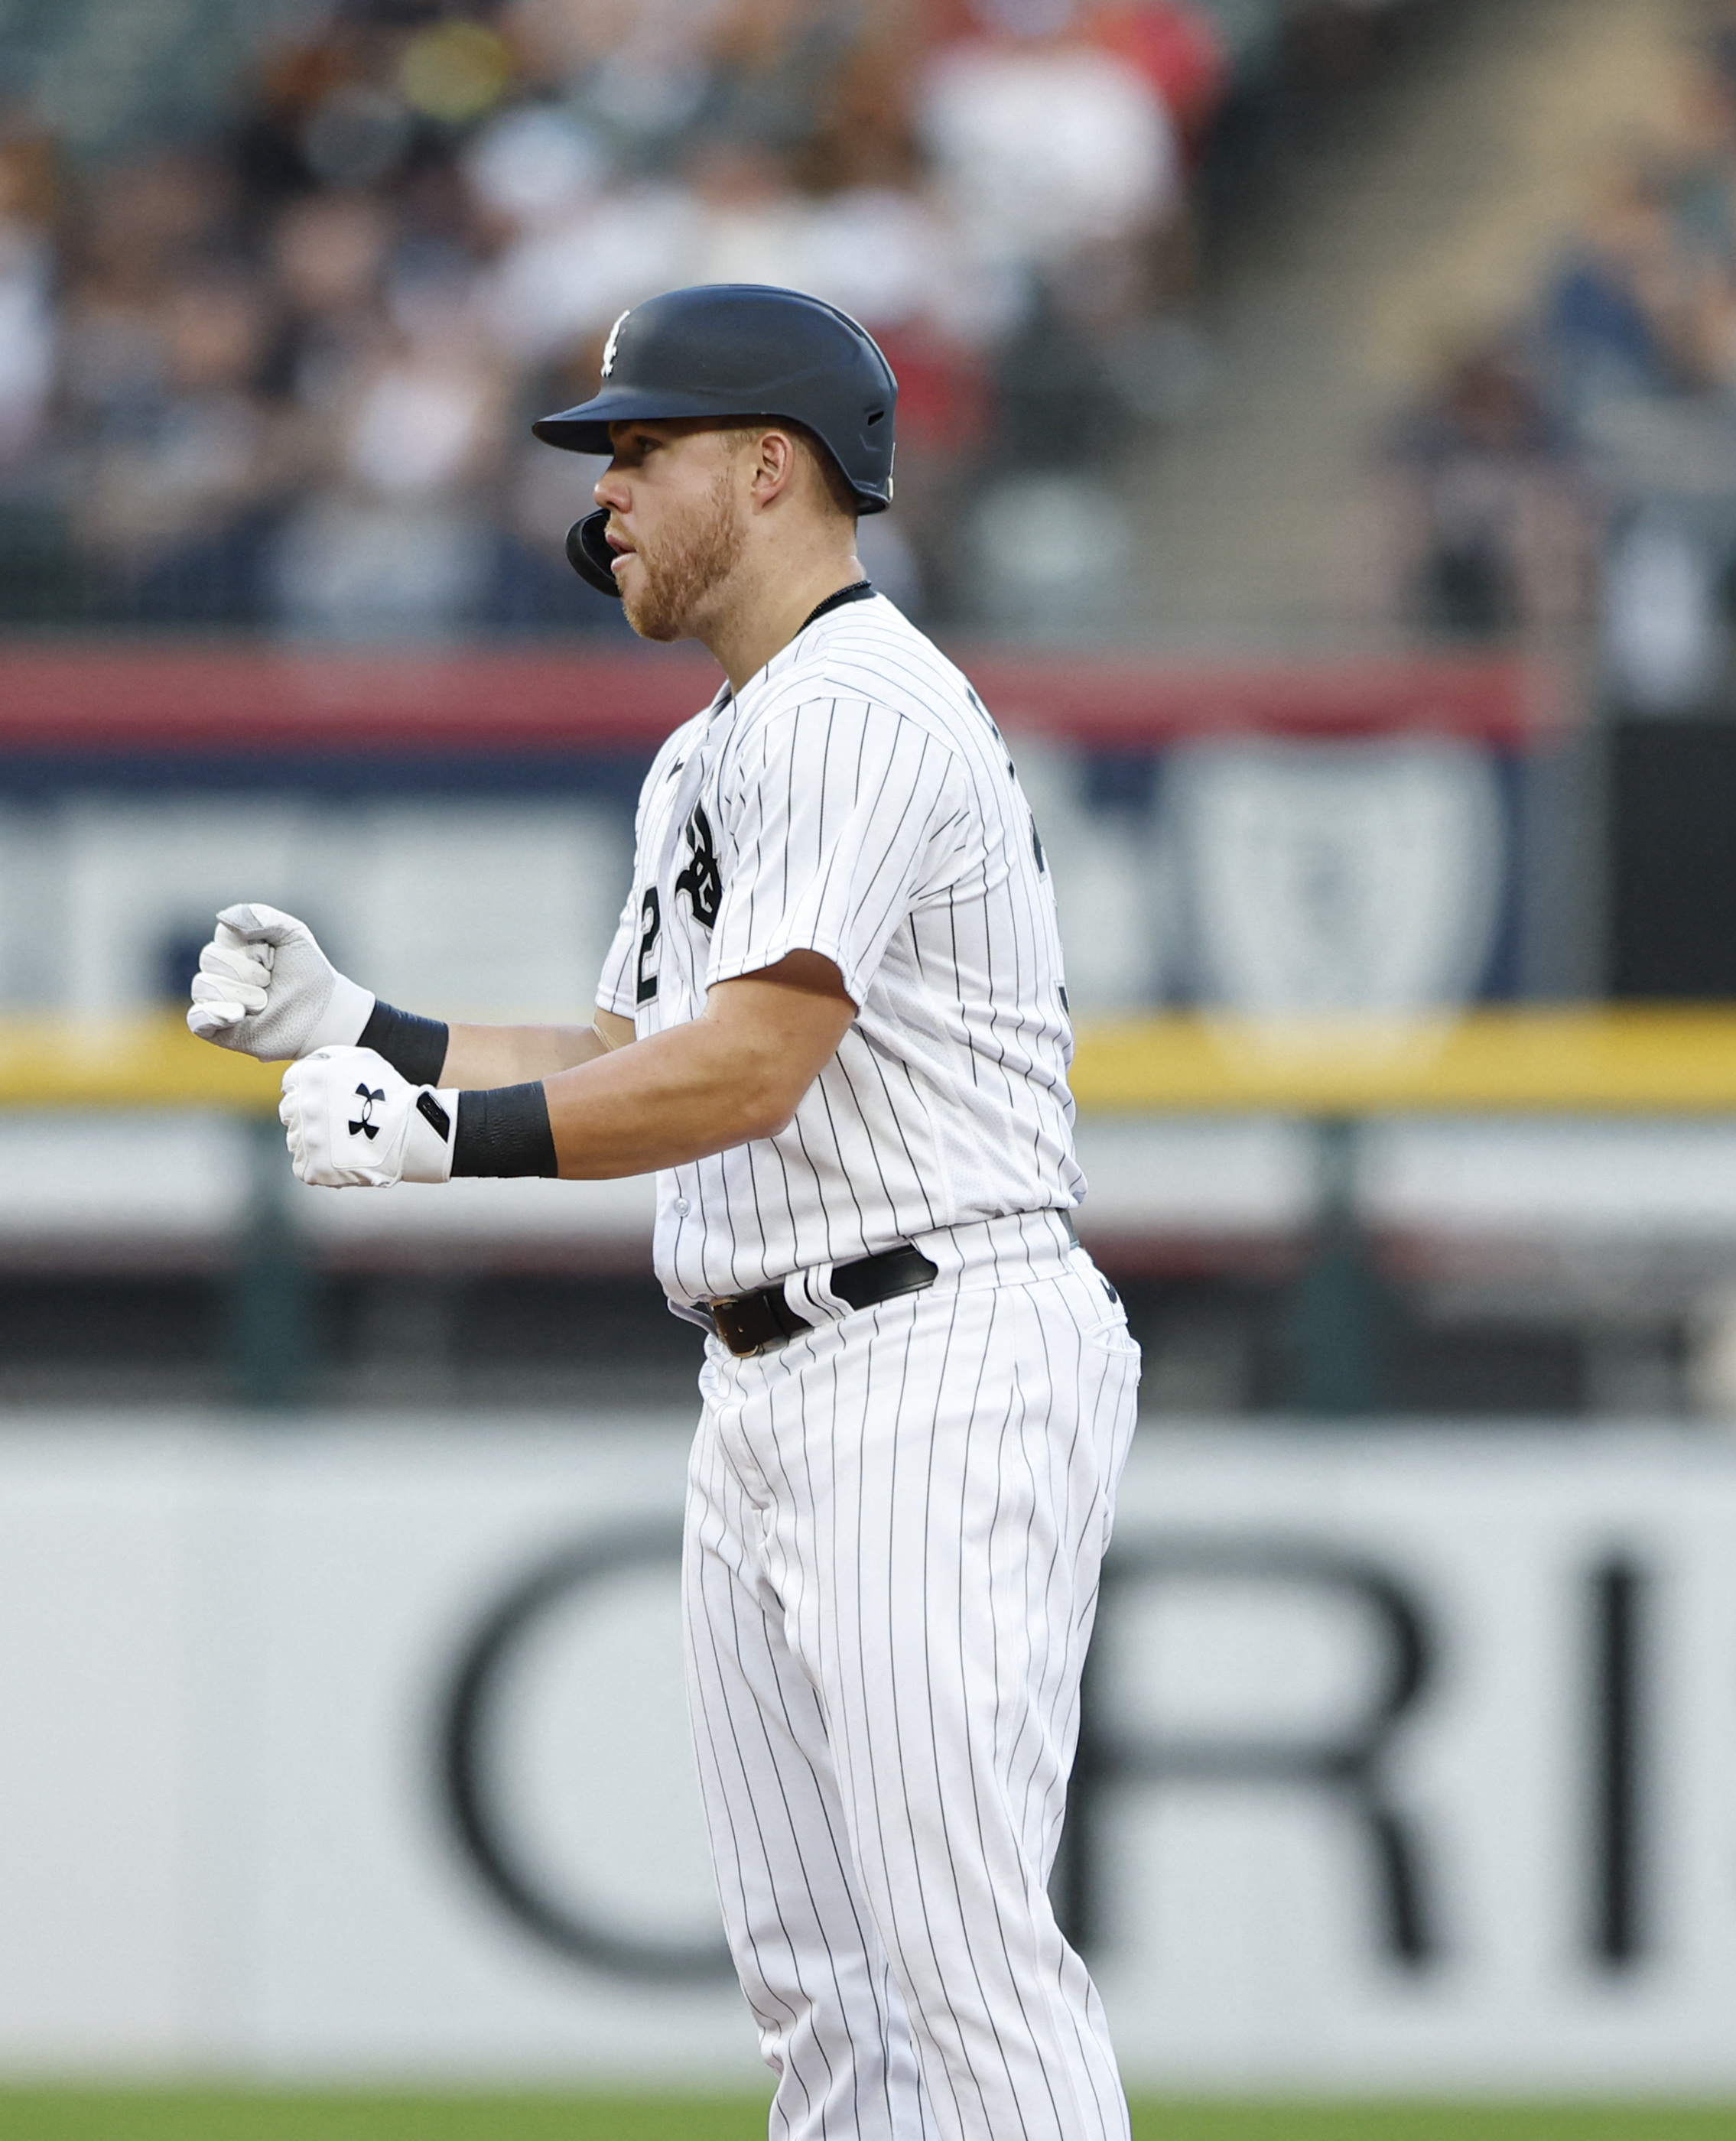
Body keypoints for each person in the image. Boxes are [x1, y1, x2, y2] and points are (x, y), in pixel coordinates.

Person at [185, 282, 1136, 2141]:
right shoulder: (720, 740)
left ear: (768, 467)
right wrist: (358, 1026)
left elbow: (753, 1066)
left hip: (933, 1348)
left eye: (644, 449)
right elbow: (639, 1046)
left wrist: (445, 1137)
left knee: (958, 1958)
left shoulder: (857, 705)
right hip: (776, 1374)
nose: (607, 491)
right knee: (818, 1989)